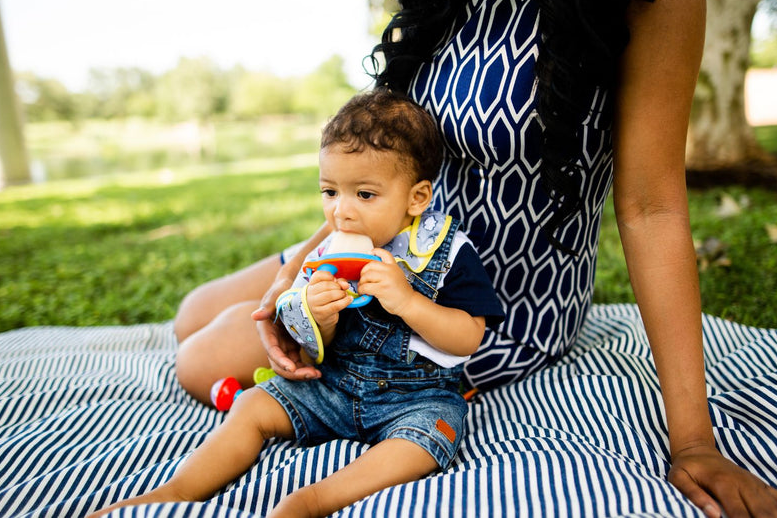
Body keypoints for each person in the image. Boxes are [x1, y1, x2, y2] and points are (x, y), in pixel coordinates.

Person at [172, 0, 777, 516]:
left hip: (478, 290)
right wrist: (296, 272)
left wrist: (694, 442)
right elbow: (375, 165)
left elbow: (652, 207)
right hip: (381, 237)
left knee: (200, 362)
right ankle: (300, 395)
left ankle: (320, 406)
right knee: (191, 315)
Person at [90, 89, 505, 518]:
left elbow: (467, 338)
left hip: (416, 400)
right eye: (330, 192)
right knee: (253, 404)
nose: (341, 212)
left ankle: (309, 502)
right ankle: (177, 490)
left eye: (364, 194)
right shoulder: (328, 252)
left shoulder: (448, 252)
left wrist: (407, 301)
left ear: (416, 198)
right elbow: (310, 345)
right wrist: (317, 316)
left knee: (424, 441)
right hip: (334, 386)